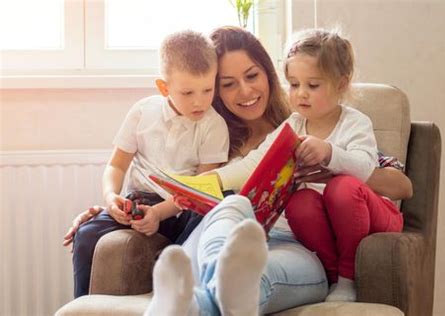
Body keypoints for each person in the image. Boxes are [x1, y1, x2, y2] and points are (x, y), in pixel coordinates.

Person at [146, 27, 412, 315]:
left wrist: (332, 162)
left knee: (254, 273)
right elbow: (250, 166)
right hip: (236, 236)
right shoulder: (210, 141)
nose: (245, 91)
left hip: (297, 244)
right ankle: (208, 286)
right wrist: (192, 186)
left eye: (251, 76)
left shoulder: (317, 123)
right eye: (228, 84)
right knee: (233, 206)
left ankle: (197, 299)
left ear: (268, 75)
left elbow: (396, 182)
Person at [66, 30, 229, 298]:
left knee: (206, 211)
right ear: (164, 87)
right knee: (85, 234)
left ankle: (179, 283)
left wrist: (160, 214)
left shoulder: (213, 126)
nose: (199, 101)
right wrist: (111, 198)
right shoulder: (143, 112)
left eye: (207, 89)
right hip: (138, 202)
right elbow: (116, 165)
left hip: (181, 208)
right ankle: (83, 305)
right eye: (187, 92)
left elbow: (202, 188)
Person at [281, 29, 408, 302]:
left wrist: (329, 152)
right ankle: (332, 276)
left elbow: (365, 166)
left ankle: (348, 277)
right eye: (293, 84)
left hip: (374, 214)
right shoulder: (292, 125)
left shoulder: (355, 122)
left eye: (313, 85)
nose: (301, 93)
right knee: (300, 202)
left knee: (342, 187)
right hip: (327, 222)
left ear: (341, 84)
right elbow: (261, 157)